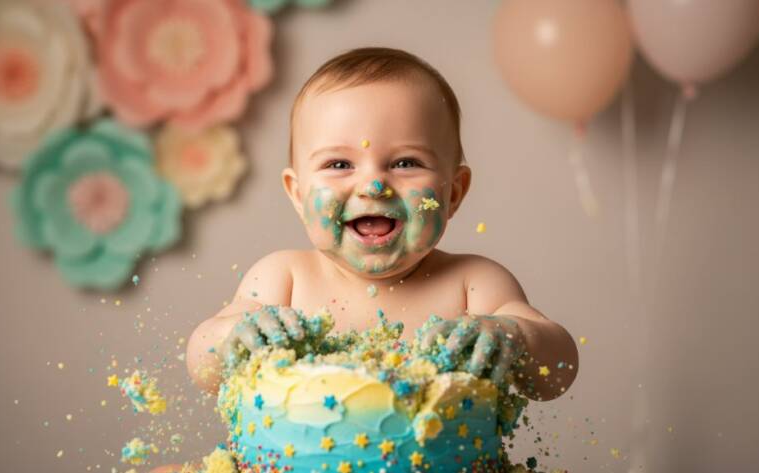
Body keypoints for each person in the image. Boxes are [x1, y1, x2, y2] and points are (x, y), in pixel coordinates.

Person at [184, 47, 579, 410]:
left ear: (453, 192)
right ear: (298, 194)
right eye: (339, 164)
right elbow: (202, 366)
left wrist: (514, 337)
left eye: (406, 162)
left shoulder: (474, 285)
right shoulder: (282, 278)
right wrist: (234, 337)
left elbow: (557, 372)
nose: (374, 186)